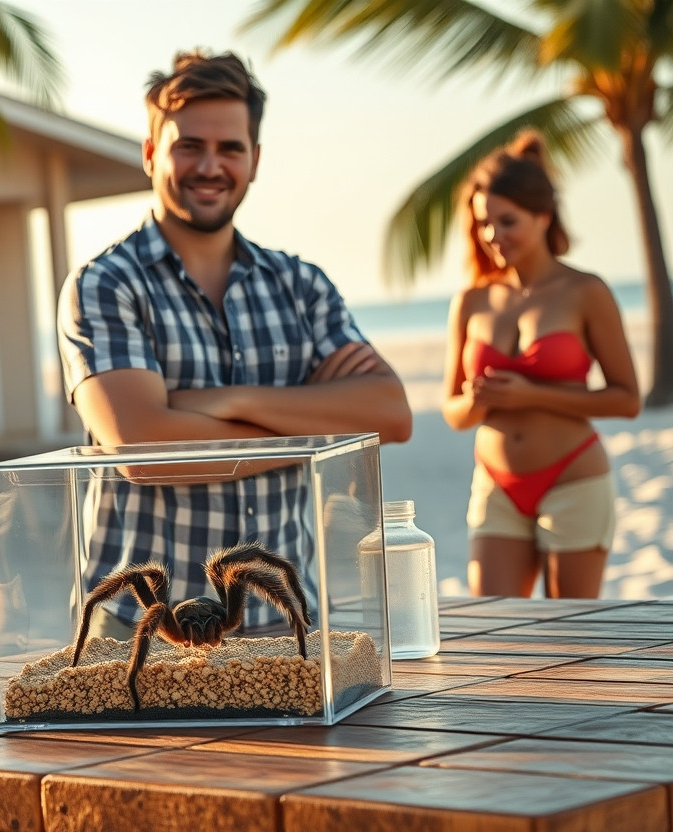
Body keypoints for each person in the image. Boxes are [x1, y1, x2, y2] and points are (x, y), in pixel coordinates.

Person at [56, 50, 411, 637]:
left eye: (230, 149)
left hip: (288, 625)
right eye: (188, 146)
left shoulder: (302, 286)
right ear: (150, 153)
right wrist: (314, 435)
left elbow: (391, 413)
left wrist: (224, 401)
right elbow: (142, 448)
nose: (210, 166)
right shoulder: (104, 284)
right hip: (142, 633)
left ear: (255, 160)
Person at [444, 130, 639, 599]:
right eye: (484, 224)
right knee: (495, 635)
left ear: (543, 214)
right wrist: (476, 400)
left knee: (567, 642)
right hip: (496, 485)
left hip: (574, 478)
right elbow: (453, 412)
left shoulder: (586, 292)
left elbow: (627, 399)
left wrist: (528, 395)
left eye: (507, 222)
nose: (493, 236)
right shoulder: (470, 301)